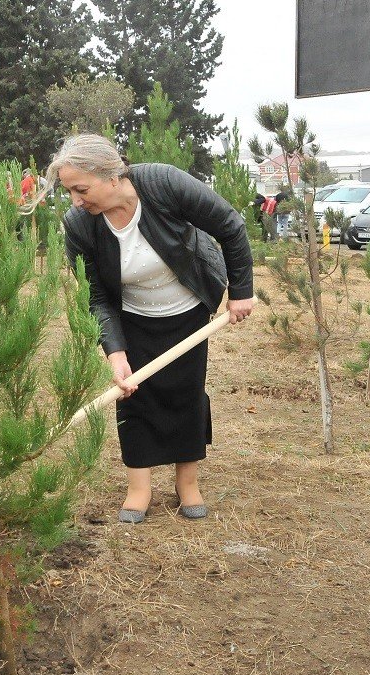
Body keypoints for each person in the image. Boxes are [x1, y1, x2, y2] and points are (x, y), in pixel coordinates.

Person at [42, 134, 254, 523]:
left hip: (187, 306)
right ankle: (139, 488)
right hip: (131, 315)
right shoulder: (80, 225)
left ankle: (187, 483)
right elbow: (95, 296)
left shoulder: (162, 183)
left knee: (186, 391)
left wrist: (241, 291)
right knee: (133, 398)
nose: (75, 200)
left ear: (110, 176)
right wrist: (115, 351)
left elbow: (230, 225)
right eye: (70, 191)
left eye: (80, 189)